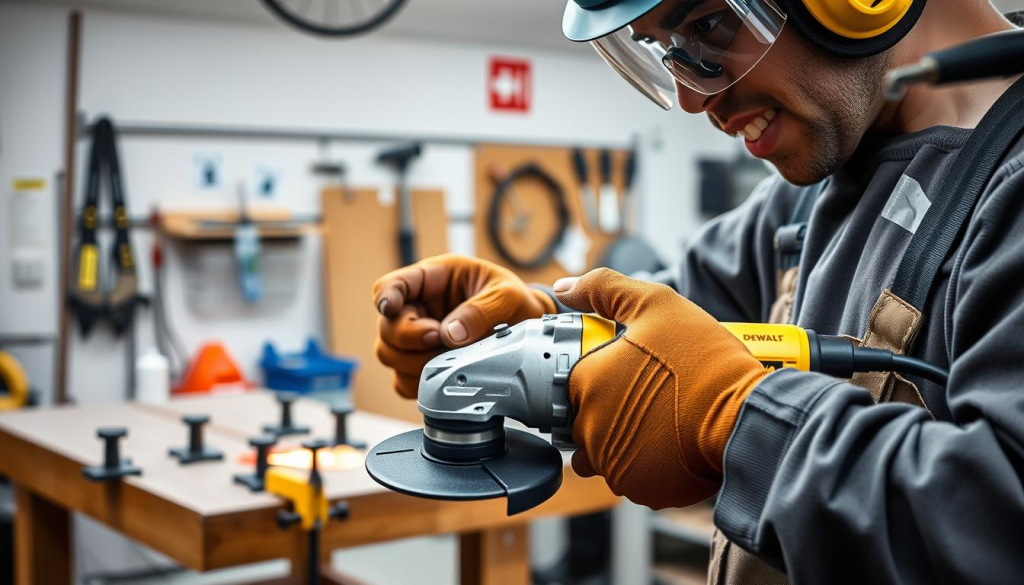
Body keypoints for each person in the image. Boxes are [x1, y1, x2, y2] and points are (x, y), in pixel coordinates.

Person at [371, 0, 1024, 582]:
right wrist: (537, 329)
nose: (692, 98)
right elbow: (673, 320)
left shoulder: (1010, 183)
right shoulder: (805, 199)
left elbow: (998, 524)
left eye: (709, 25)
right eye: (664, 50)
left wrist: (735, 417)